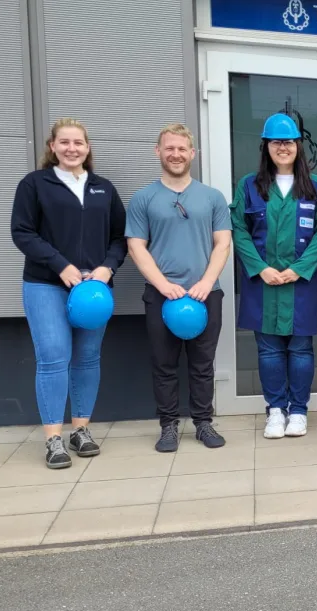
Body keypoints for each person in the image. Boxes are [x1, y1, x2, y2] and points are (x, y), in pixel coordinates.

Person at [10, 118, 127, 469]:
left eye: (78, 143)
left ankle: (81, 430)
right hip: (46, 284)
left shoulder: (103, 188)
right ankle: (53, 439)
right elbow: (23, 232)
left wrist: (107, 267)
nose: (72, 148)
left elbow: (121, 237)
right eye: (65, 142)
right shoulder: (35, 184)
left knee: (88, 357)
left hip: (94, 290)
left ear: (88, 148)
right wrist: (61, 265)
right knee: (53, 357)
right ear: (52, 146)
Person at [126, 124, 232, 453]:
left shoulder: (212, 197)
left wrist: (205, 282)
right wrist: (162, 285)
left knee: (203, 363)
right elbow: (136, 246)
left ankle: (203, 422)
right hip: (161, 296)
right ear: (158, 151)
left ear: (192, 154)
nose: (176, 154)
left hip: (205, 294)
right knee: (164, 364)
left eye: (182, 149)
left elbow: (222, 244)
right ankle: (168, 425)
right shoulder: (144, 198)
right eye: (169, 148)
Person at [230, 113, 317, 439]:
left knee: (301, 349)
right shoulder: (249, 185)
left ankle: (299, 411)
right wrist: (261, 268)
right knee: (269, 350)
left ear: (298, 146)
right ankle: (276, 410)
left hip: (300, 283)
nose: (283, 148)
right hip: (263, 283)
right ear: (266, 147)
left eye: (288, 142)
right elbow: (239, 231)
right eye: (276, 142)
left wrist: (298, 270)